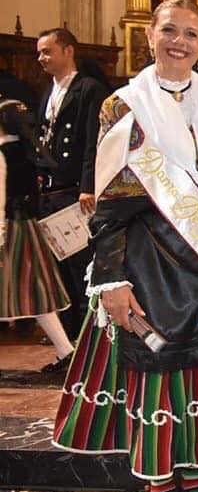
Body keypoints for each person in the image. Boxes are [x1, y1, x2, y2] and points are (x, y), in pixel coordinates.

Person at [52, 0, 198, 492]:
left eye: (191, 34)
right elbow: (109, 205)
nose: (180, 42)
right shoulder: (123, 105)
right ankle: (161, 486)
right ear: (150, 37)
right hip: (148, 265)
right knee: (156, 378)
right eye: (169, 31)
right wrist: (112, 279)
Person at [35, 27, 110, 343]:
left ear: (68, 51)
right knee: (58, 269)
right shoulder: (48, 92)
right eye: (39, 53)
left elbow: (94, 140)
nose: (41, 58)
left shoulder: (88, 89)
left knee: (80, 266)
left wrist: (88, 185)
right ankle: (67, 339)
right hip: (49, 191)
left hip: (76, 192)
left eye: (47, 51)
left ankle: (87, 337)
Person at [0, 99, 73, 371]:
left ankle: (66, 350)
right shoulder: (26, 153)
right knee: (35, 292)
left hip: (9, 231)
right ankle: (65, 350)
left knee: (28, 291)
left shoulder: (3, 153)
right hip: (26, 228)